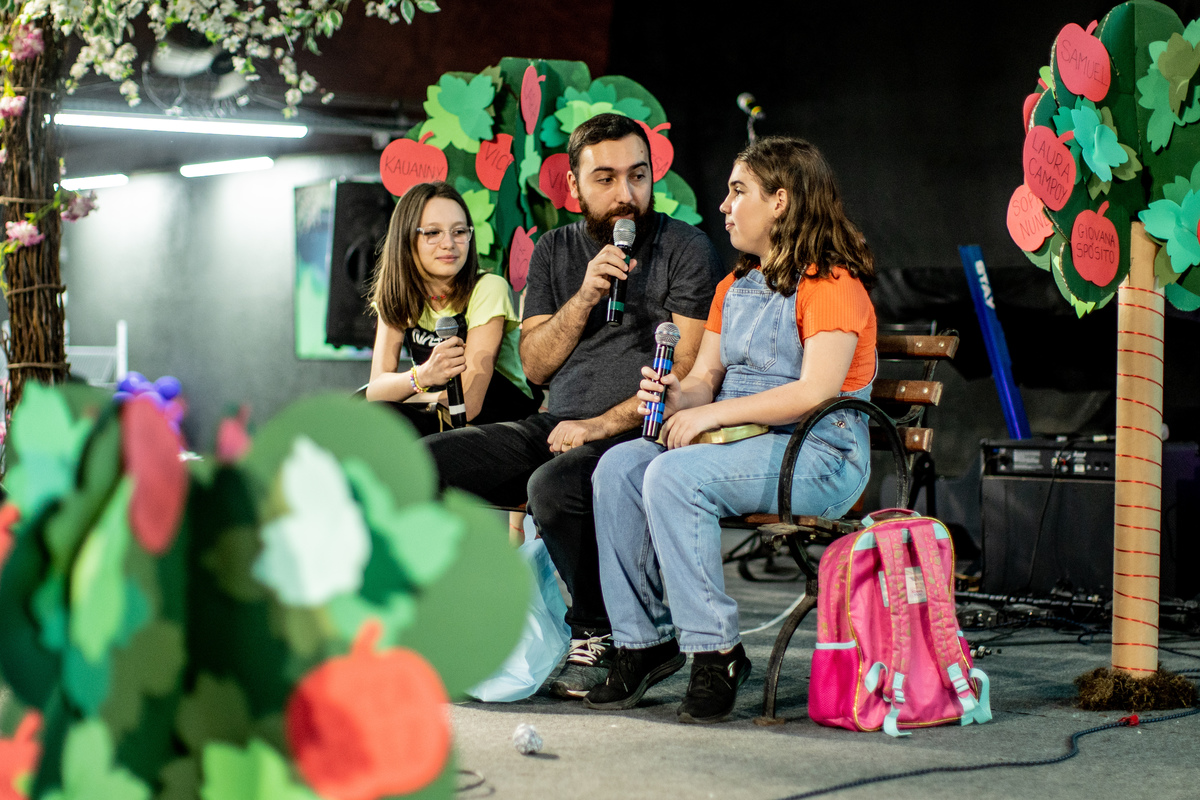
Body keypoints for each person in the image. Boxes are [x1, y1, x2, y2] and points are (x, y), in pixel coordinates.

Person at [426, 114, 725, 698]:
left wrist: (597, 425)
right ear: (573, 186)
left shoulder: (686, 247)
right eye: (607, 179)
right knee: (426, 462)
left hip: (637, 428)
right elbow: (536, 365)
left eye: (638, 176)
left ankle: (602, 631)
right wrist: (587, 293)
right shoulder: (553, 251)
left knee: (553, 486)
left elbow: (684, 371)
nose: (626, 195)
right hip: (555, 422)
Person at [583, 136, 877, 723]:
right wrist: (674, 394)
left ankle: (715, 652)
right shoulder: (733, 288)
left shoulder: (833, 286)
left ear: (781, 202)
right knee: (617, 468)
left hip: (818, 454)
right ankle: (642, 642)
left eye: (738, 191)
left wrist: (710, 414)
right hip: (743, 444)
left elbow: (814, 392)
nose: (724, 205)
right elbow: (705, 377)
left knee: (672, 475)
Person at [365, 182, 540, 435]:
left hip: (501, 422)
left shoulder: (489, 288)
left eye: (459, 231)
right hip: (438, 420)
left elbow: (467, 405)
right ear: (405, 239)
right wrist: (422, 376)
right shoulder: (396, 296)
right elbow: (375, 390)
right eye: (433, 233)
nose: (449, 243)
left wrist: (403, 396)